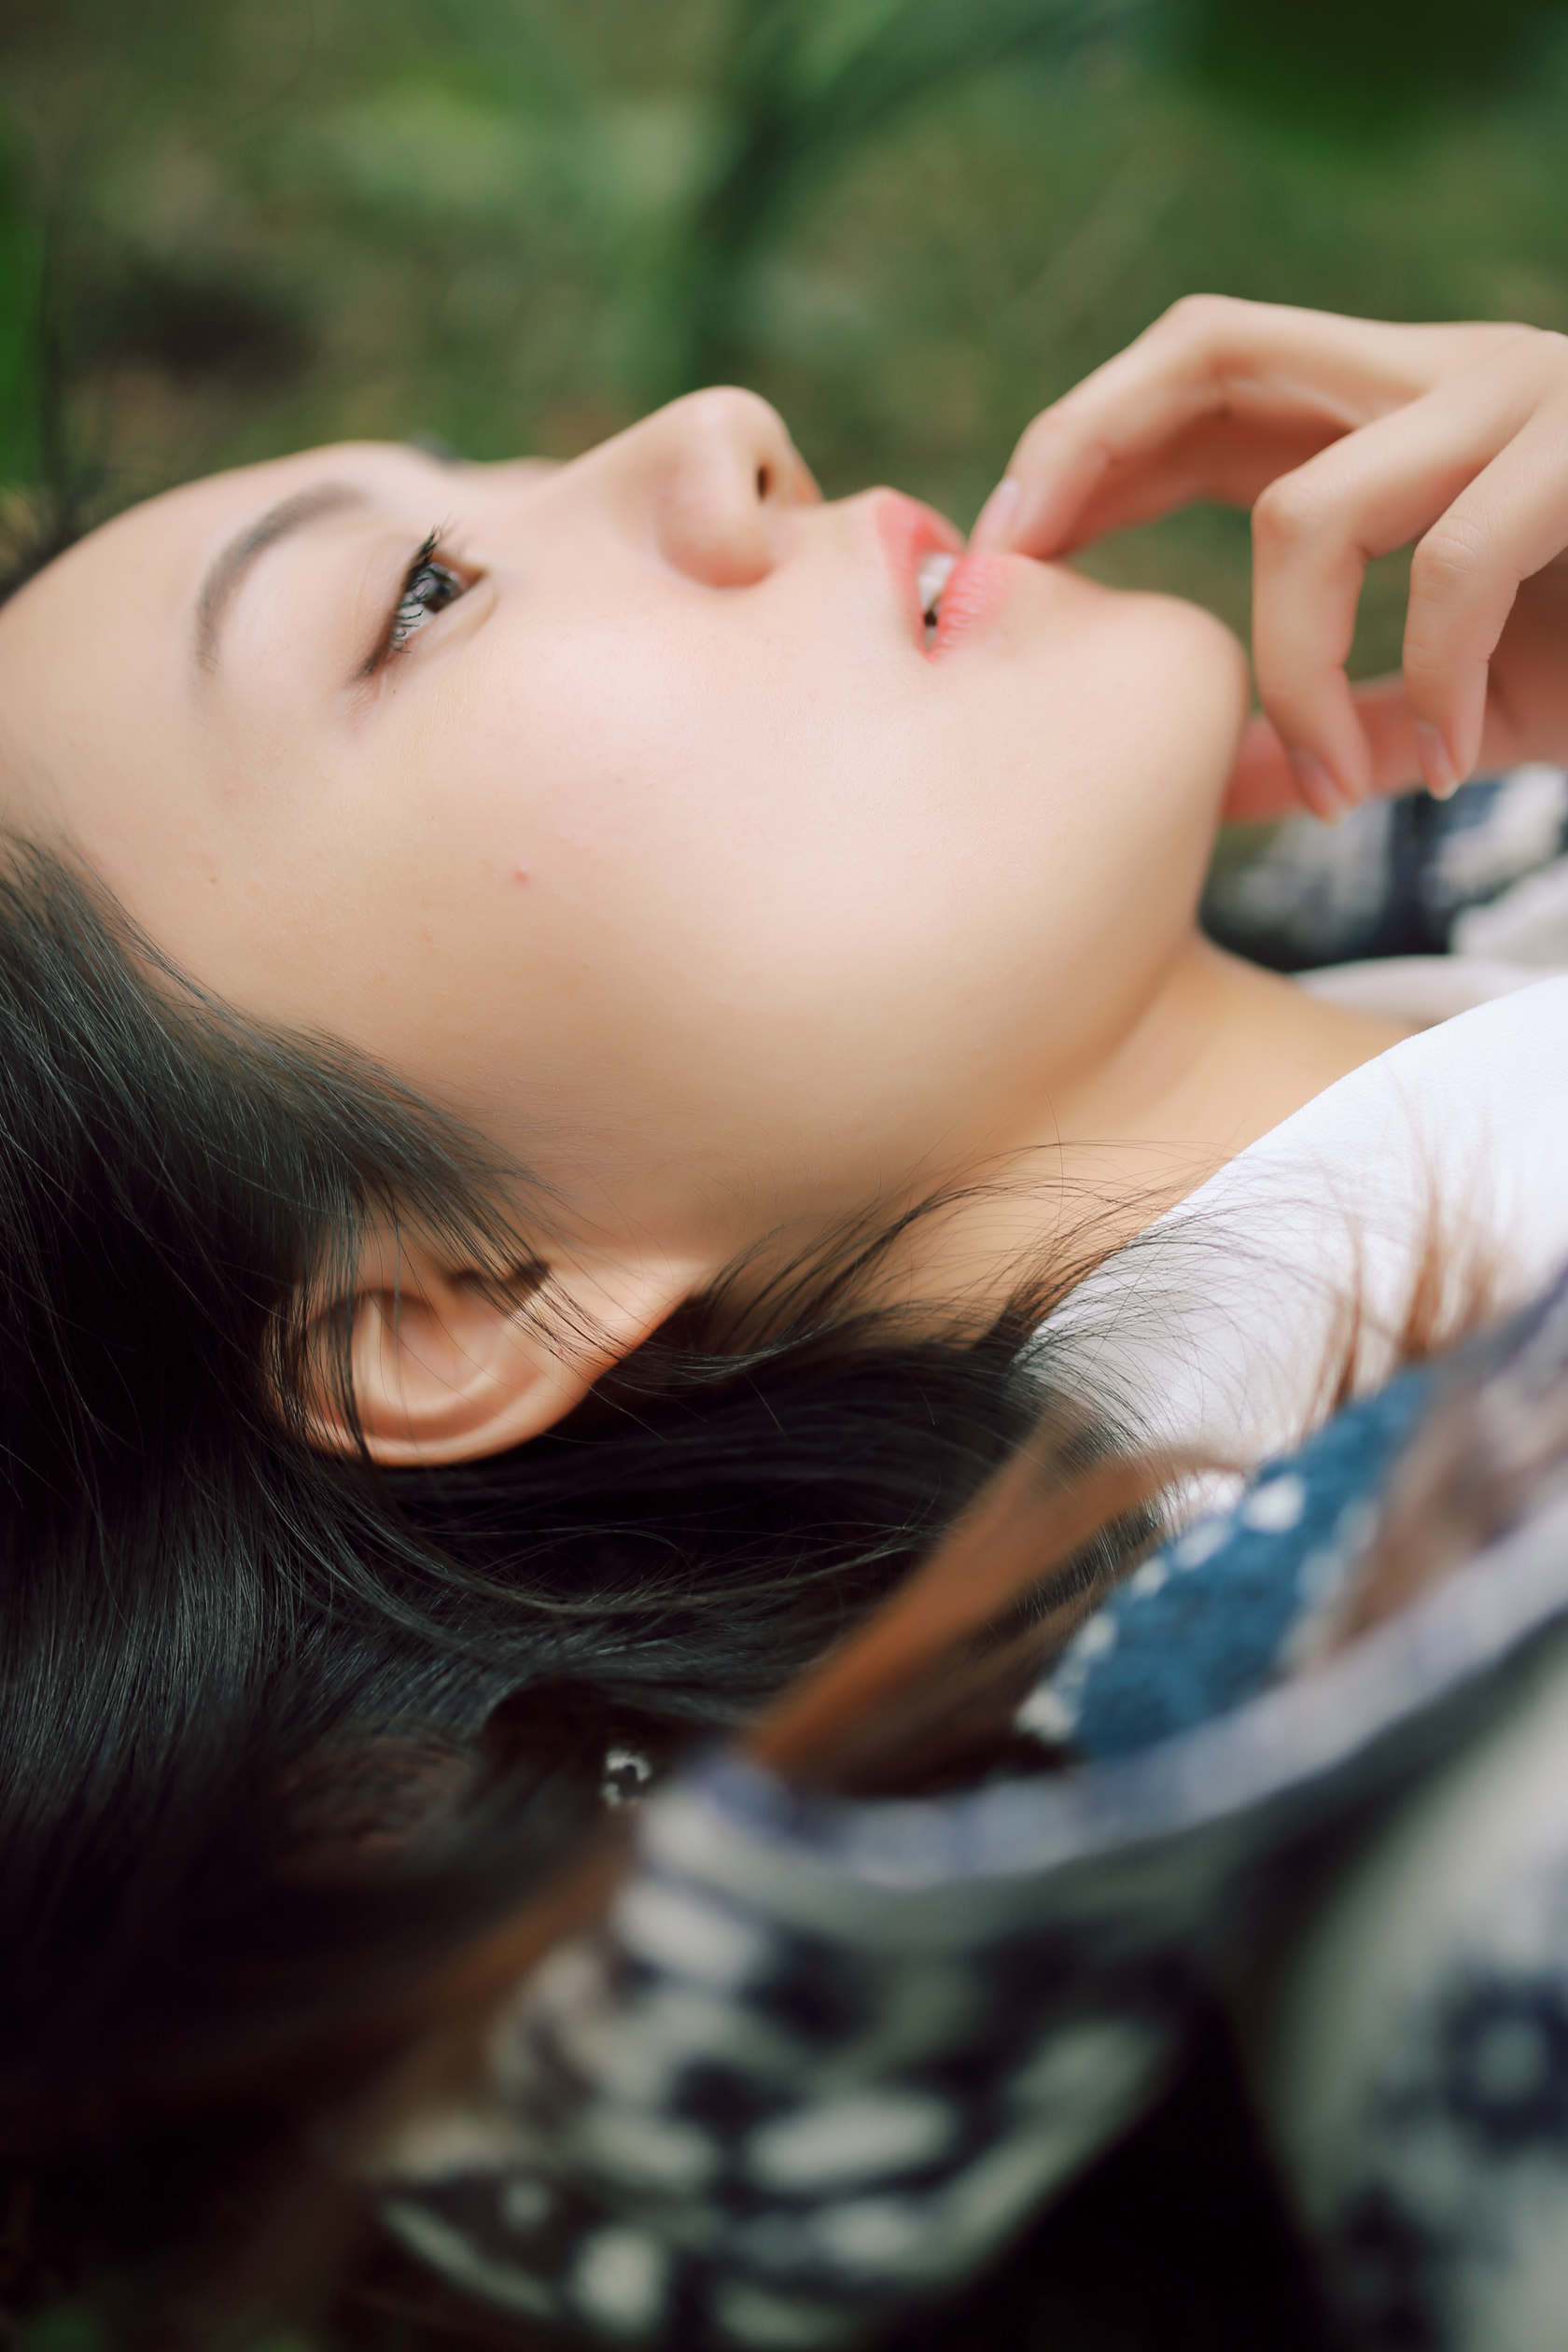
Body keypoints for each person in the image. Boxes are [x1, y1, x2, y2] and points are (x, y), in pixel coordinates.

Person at [1, 296, 1567, 2332]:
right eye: (419, 603)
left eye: (479, 483)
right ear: (461, 1306)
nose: (714, 431)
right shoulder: (1456, 1805)